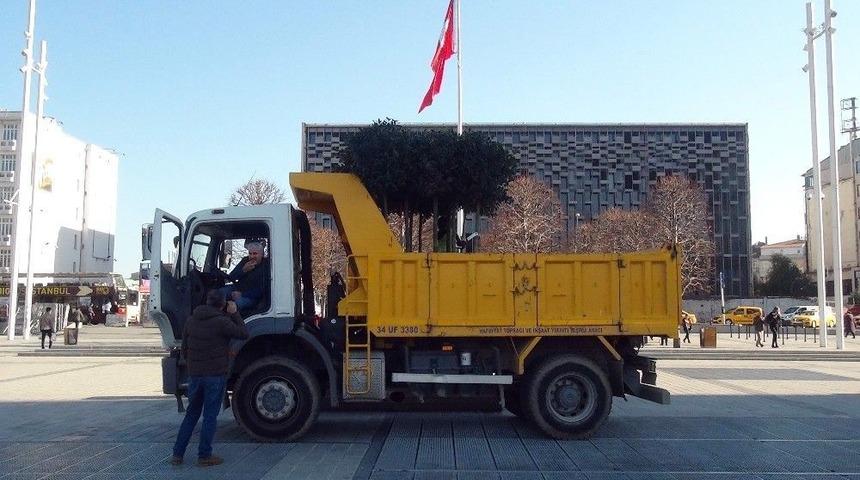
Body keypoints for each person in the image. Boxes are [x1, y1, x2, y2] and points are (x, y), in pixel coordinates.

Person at [171, 290, 249, 467]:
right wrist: (235, 313)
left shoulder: (191, 320)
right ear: (222, 305)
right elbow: (244, 334)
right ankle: (204, 455)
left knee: (191, 415)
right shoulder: (222, 322)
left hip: (195, 376)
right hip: (215, 375)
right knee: (209, 417)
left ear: (207, 302)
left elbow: (184, 349)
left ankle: (177, 454)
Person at [220, 242, 269, 310]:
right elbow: (231, 277)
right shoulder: (245, 260)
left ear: (261, 254)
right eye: (250, 253)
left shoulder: (266, 266)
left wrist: (242, 294)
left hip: (251, 296)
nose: (252, 256)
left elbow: (263, 289)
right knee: (219, 293)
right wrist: (243, 270)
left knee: (237, 304)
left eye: (255, 254)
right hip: (237, 288)